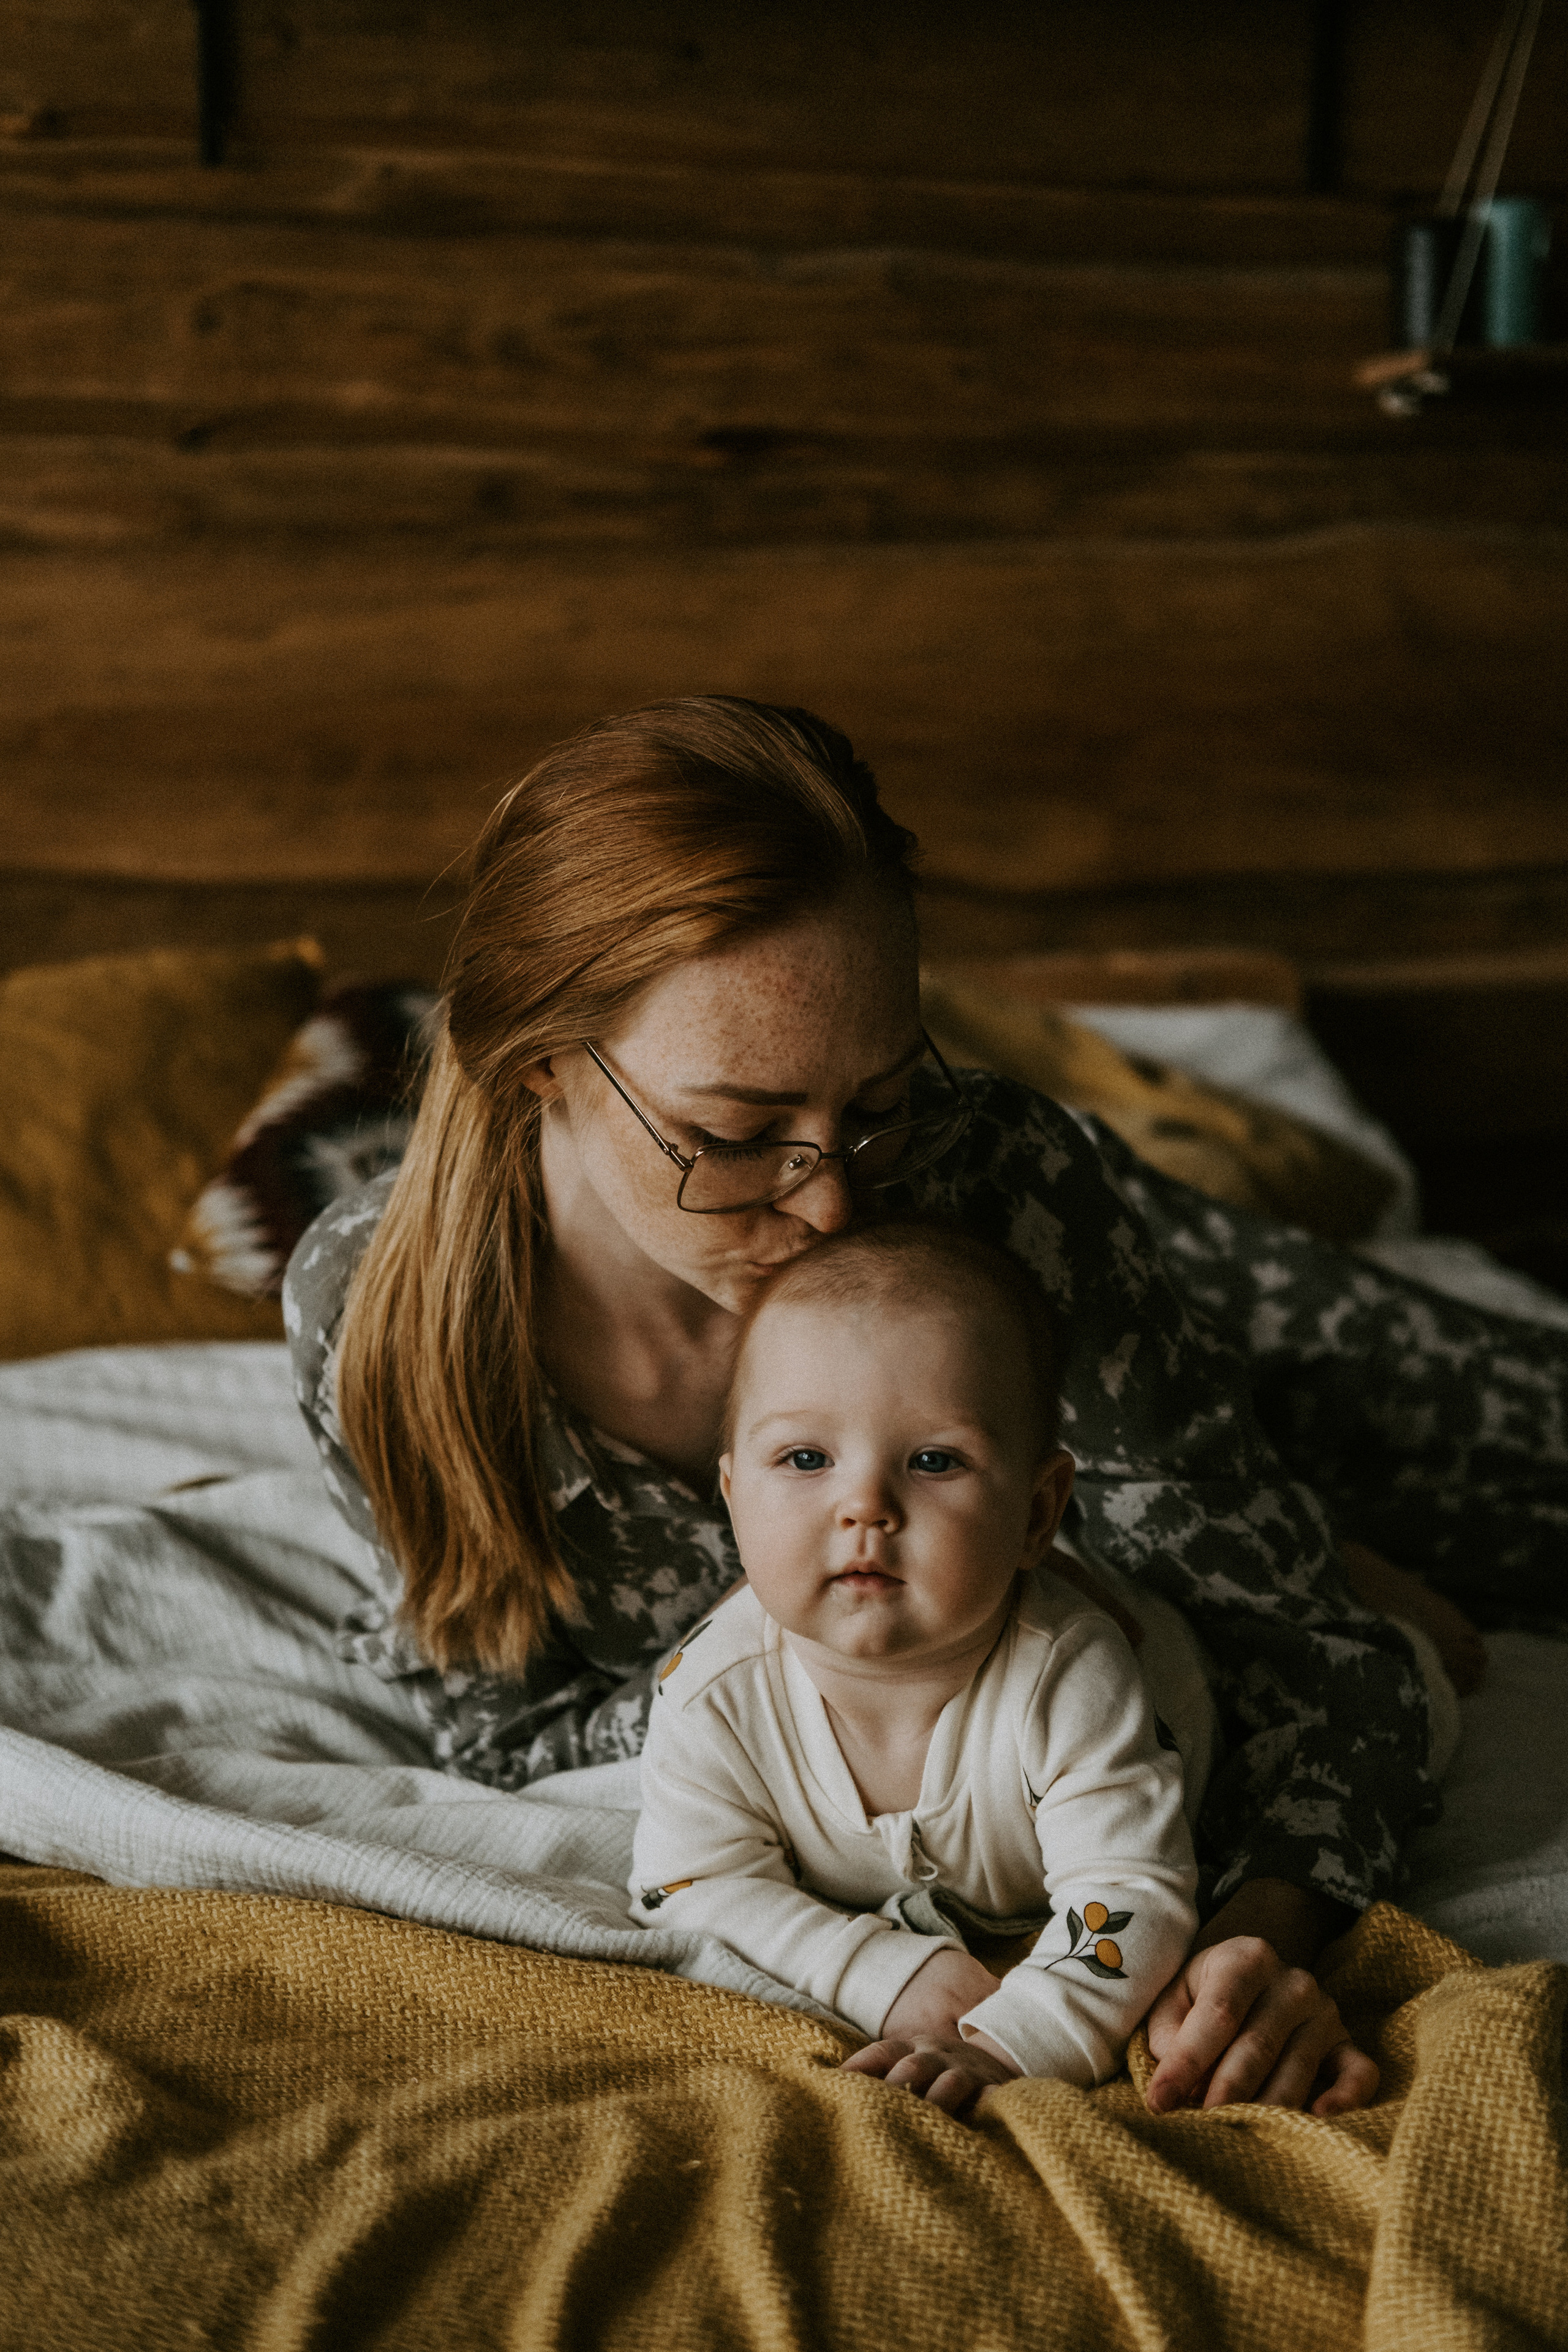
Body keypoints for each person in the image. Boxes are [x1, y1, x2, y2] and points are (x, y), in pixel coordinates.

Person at [284, 695, 1566, 2119]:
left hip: (1195, 1319)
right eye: (731, 1134)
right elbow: (501, 1729)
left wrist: (1262, 1924)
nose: (834, 1201)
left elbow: (1323, 1663)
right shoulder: (376, 1318)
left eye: (878, 1102)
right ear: (537, 1065)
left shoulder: (992, 1183)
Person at [630, 1219, 1202, 2117]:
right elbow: (686, 1886)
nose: (864, 1505)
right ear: (735, 1498)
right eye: (806, 1459)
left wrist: (1008, 2044)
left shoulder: (1068, 1677)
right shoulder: (712, 1692)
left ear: (1037, 1513)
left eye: (935, 1461)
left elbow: (1130, 1896)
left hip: (1184, 1671)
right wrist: (880, 1972)